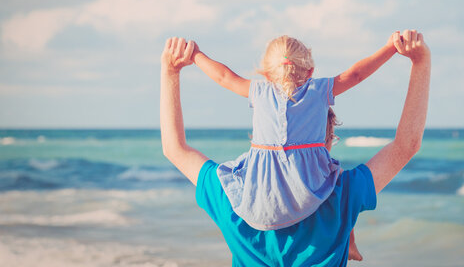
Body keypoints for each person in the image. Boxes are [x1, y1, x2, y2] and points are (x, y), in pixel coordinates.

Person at [160, 30, 431, 266]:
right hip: (335, 211)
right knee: (344, 213)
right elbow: (406, 145)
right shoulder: (342, 195)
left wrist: (173, 68)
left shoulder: (234, 199)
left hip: (250, 208)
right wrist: (419, 62)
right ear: (327, 138)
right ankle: (350, 238)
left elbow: (175, 149)